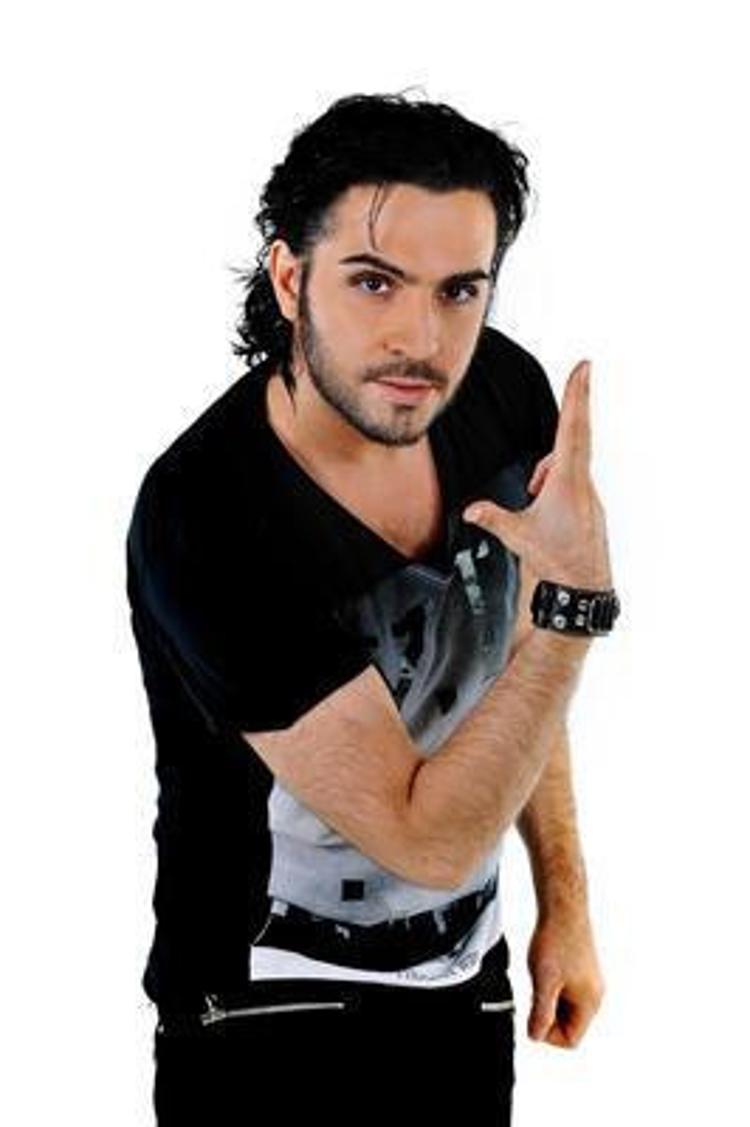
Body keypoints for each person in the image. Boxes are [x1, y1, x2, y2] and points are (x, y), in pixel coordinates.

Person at [125, 91, 617, 1126]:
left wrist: (564, 903)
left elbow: (516, 689)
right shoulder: (207, 517)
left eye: (459, 290)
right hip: (262, 1014)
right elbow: (422, 836)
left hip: (463, 986)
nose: (420, 340)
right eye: (374, 281)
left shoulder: (500, 394)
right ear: (290, 278)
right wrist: (571, 612)